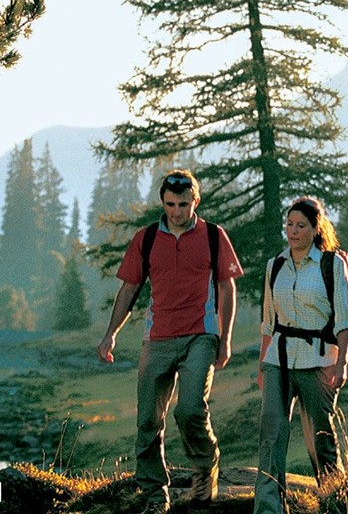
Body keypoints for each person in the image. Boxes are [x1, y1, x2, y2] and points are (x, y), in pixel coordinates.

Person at [97, 169, 242, 514]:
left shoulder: (213, 236)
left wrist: (225, 338)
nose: (176, 212)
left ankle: (205, 467)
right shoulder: (146, 239)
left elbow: (226, 286)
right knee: (148, 418)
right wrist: (110, 334)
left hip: (201, 336)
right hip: (158, 337)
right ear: (162, 201)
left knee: (190, 409)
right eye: (169, 204)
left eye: (183, 204)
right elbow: (129, 289)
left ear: (196, 200)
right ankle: (153, 492)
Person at [254, 196, 348, 514]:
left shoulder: (331, 264)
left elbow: (344, 320)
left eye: (300, 226)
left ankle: (334, 502)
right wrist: (261, 365)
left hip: (319, 361)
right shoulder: (275, 266)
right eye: (289, 225)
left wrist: (342, 364)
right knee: (271, 433)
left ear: (315, 229)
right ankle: (268, 507)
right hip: (278, 360)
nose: (293, 231)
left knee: (320, 439)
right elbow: (268, 323)